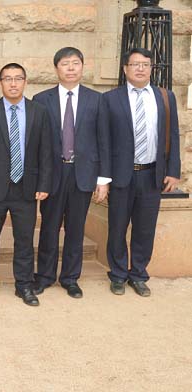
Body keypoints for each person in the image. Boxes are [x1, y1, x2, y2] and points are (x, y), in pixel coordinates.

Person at [33, 47, 111, 299]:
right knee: (49, 228)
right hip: (52, 175)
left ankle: (70, 278)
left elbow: (103, 141)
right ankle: (44, 276)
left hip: (83, 173)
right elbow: (36, 144)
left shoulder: (96, 99)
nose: (70, 68)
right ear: (56, 68)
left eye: (75, 63)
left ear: (82, 67)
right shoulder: (41, 99)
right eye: (65, 64)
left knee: (76, 229)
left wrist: (103, 179)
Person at [0, 63, 52, 307]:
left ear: (25, 82)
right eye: (8, 79)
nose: (13, 83)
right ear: (0, 83)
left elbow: (46, 151)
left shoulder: (39, 112)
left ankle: (24, 285)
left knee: (25, 239)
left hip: (26, 188)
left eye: (18, 78)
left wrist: (44, 183)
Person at [103, 47, 180, 297]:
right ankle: (117, 274)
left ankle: (138, 274)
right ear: (125, 69)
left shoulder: (165, 97)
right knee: (117, 226)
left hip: (152, 175)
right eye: (135, 64)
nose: (140, 68)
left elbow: (173, 136)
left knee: (145, 228)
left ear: (151, 68)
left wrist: (173, 170)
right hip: (121, 174)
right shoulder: (110, 99)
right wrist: (103, 177)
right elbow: (103, 141)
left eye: (145, 64)